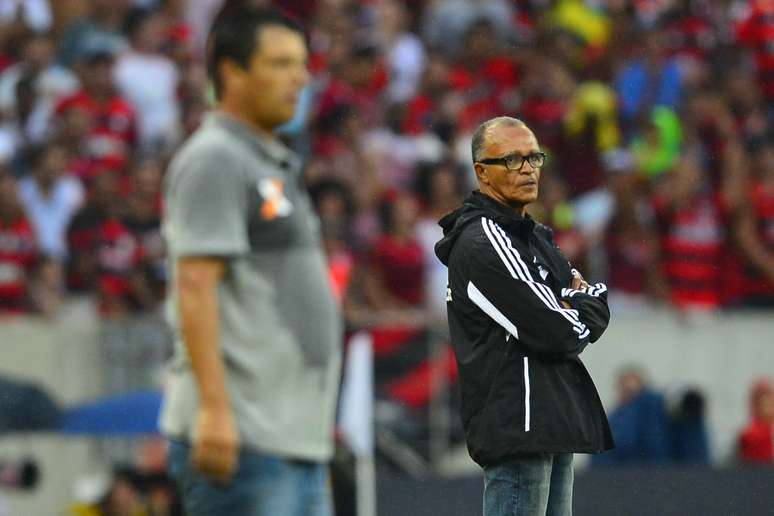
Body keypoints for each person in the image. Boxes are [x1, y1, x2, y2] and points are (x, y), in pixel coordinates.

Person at [159, 5, 341, 516]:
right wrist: (215, 412)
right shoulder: (215, 158)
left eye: (302, 63)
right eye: (280, 63)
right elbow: (195, 285)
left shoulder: (267, 161)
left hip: (289, 438)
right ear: (231, 72)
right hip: (244, 435)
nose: (300, 78)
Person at [435, 116, 613, 516]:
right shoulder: (483, 239)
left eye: (534, 157)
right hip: (520, 422)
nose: (529, 168)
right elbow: (557, 331)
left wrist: (575, 304)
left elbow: (593, 298)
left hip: (550, 418)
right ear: (482, 171)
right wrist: (573, 305)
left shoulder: (532, 236)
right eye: (513, 160)